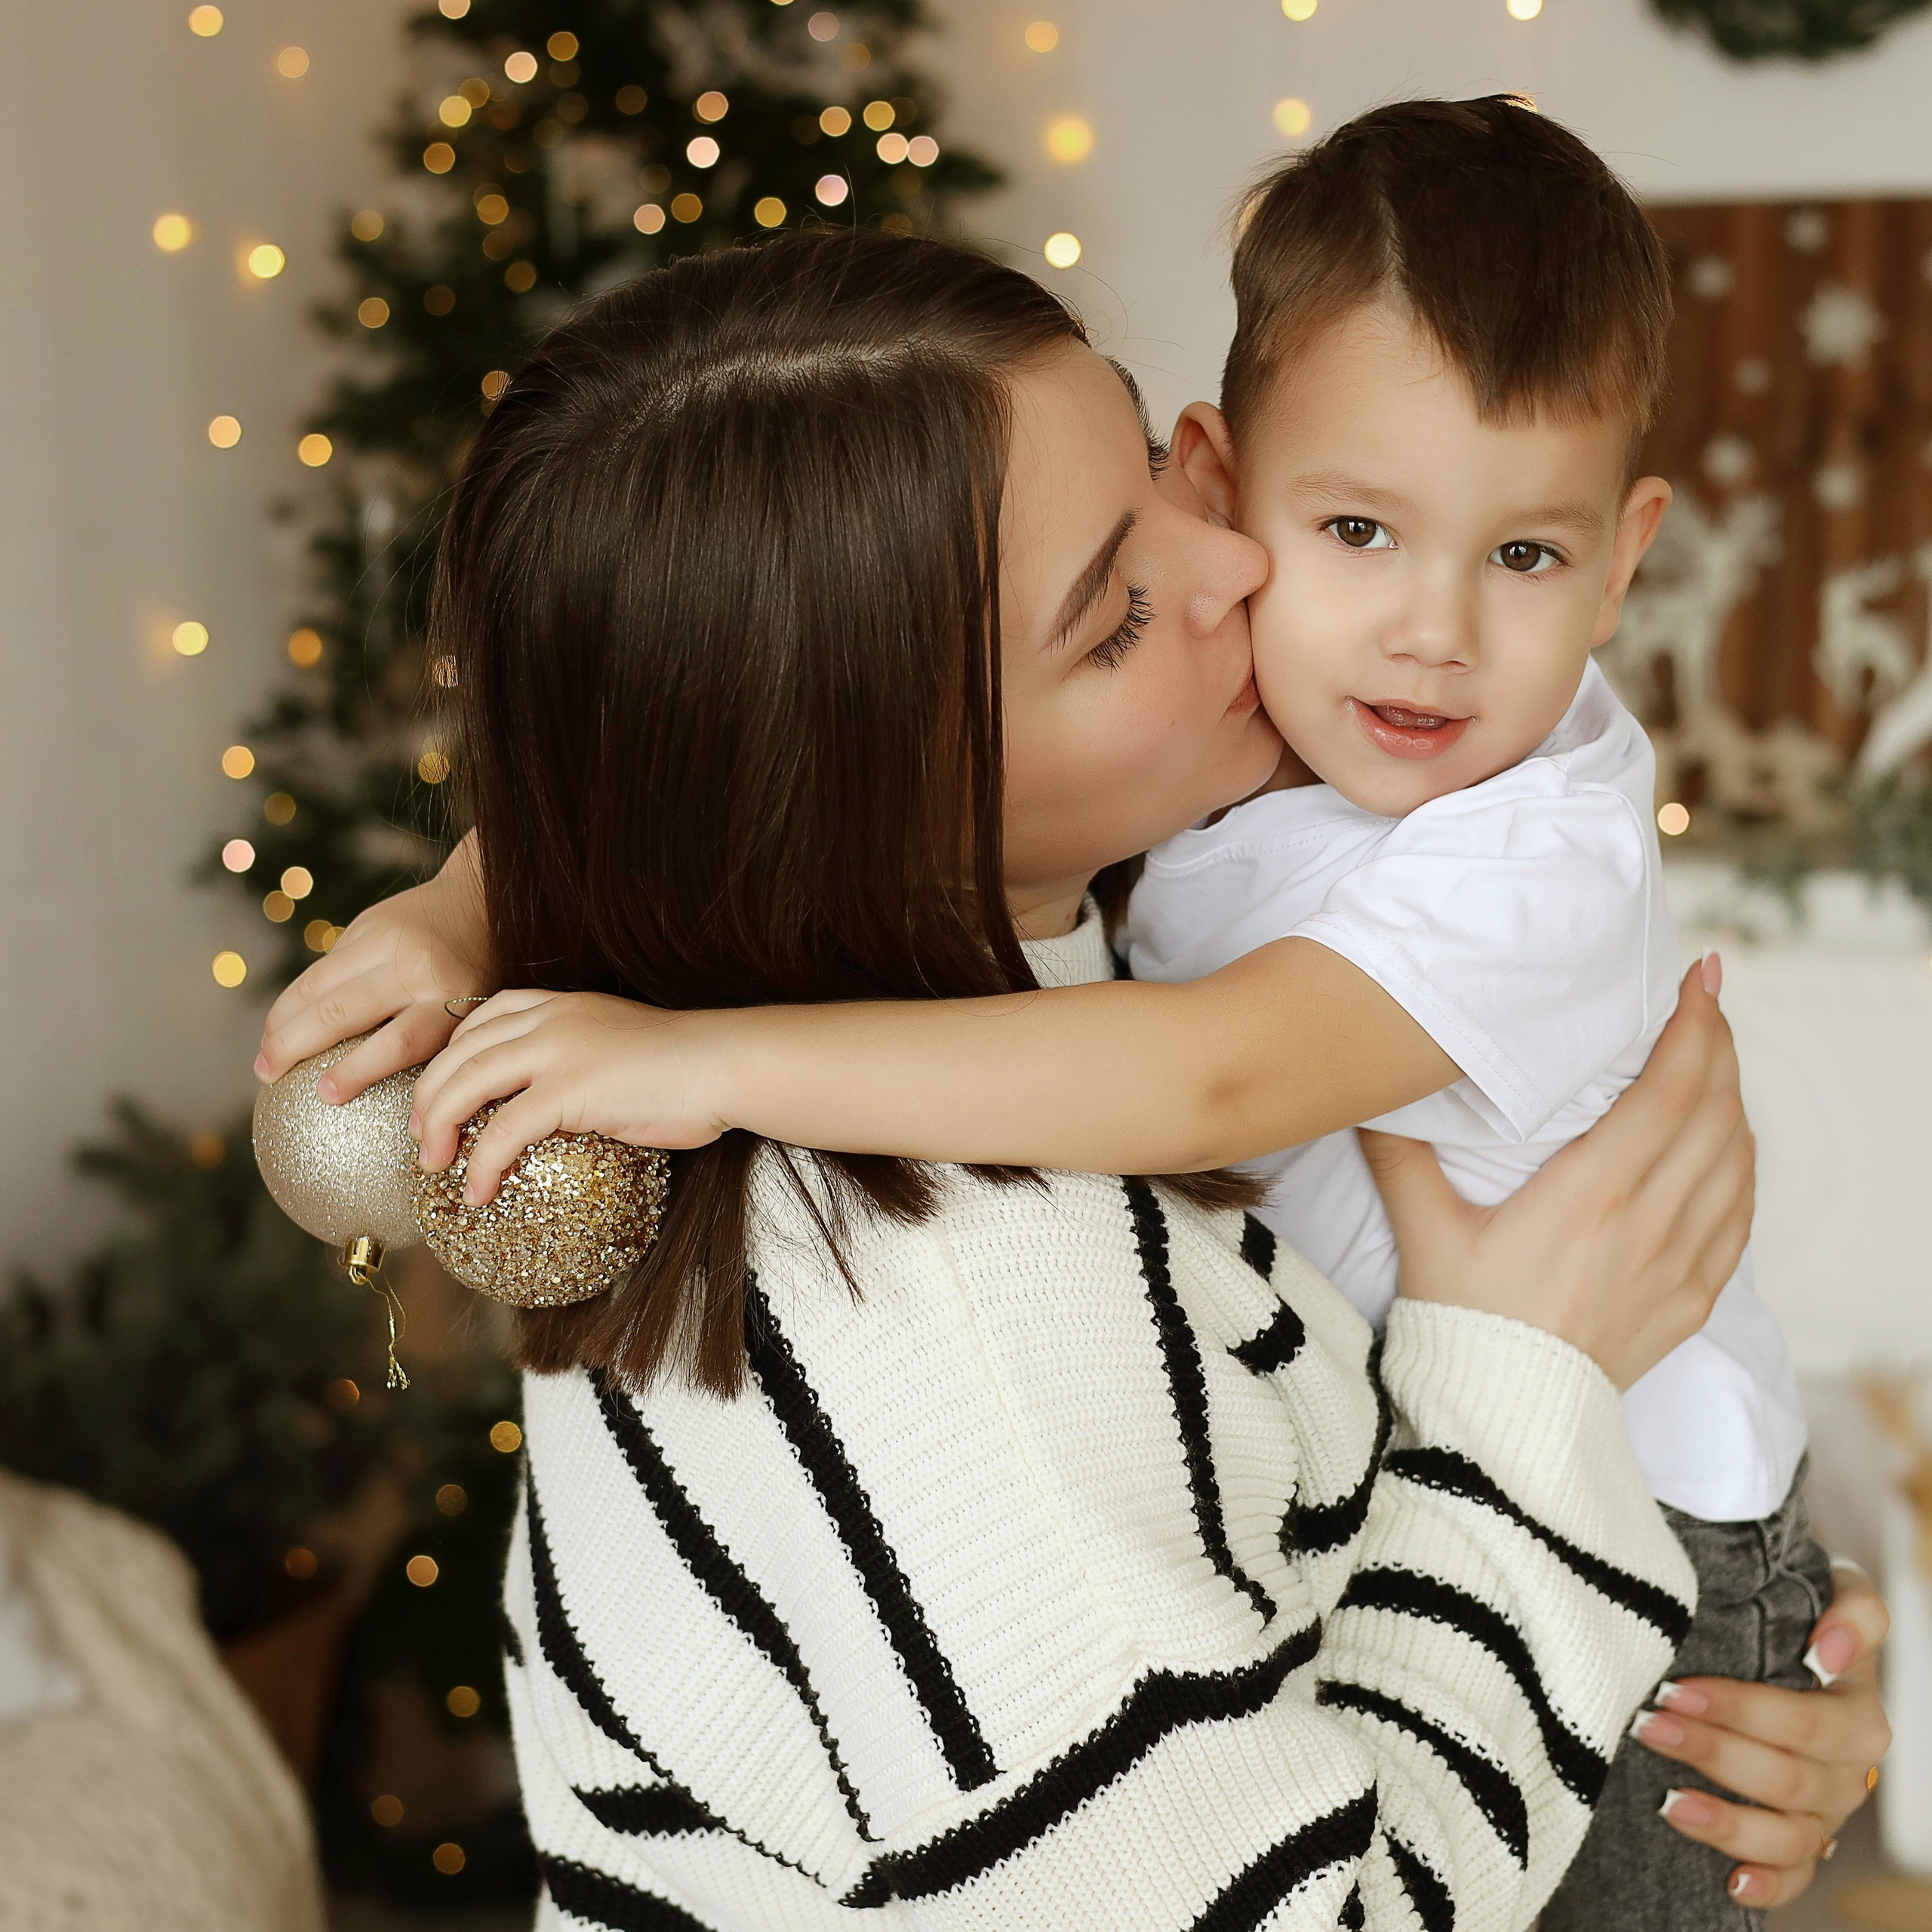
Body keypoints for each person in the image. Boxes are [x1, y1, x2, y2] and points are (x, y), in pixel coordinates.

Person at [260, 230, 1889, 1926]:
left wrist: (1713, 1622)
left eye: (1164, 466)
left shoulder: (1032, 942)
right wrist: (1532, 1397)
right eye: (1113, 615)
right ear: (870, 796)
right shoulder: (941, 1309)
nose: (1236, 567)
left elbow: (1236, 1605)